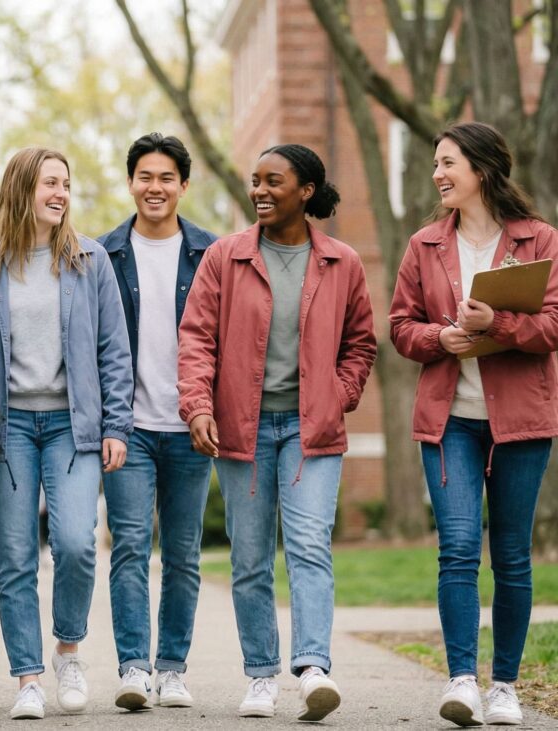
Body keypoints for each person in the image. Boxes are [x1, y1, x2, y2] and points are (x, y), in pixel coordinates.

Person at [178, 143, 376, 722]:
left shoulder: (343, 262)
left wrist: (337, 399)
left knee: (310, 546)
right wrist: (197, 406)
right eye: (255, 182)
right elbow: (195, 338)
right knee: (250, 558)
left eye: (274, 181)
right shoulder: (225, 257)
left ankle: (313, 666)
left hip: (312, 431)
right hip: (242, 429)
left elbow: (361, 343)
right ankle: (261, 676)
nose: (260, 191)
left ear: (306, 191)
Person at [389, 121, 558, 728]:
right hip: (448, 424)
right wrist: (443, 337)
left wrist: (497, 325)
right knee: (458, 548)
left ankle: (505, 686)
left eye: (448, 163)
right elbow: (401, 327)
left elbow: (554, 326)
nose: (438, 174)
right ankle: (462, 679)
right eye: (436, 163)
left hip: (521, 424)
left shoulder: (539, 240)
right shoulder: (424, 244)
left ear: (482, 169)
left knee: (511, 555)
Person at [0, 146, 134, 720]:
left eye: (66, 184)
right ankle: (28, 678)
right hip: (7, 427)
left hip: (73, 424)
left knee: (74, 542)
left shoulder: (90, 260)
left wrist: (117, 425)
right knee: (13, 556)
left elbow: (115, 349)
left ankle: (67, 648)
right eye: (49, 184)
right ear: (21, 189)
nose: (60, 194)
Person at [96, 132, 216, 710]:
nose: (155, 187)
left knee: (184, 554)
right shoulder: (102, 254)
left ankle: (172, 667)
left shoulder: (211, 254)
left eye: (167, 177)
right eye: (145, 176)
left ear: (184, 186)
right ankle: (133, 667)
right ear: (130, 183)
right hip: (128, 428)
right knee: (130, 547)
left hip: (193, 428)